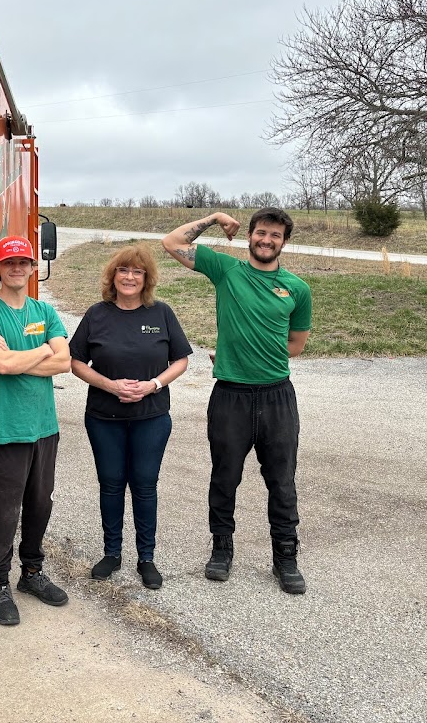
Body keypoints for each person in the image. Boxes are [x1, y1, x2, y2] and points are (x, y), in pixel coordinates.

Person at [162, 208, 312, 594]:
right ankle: (221, 550)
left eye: (275, 236)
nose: (267, 240)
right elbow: (172, 243)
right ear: (249, 235)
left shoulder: (297, 288)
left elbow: (295, 345)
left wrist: (255, 351)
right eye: (261, 233)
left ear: (285, 242)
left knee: (282, 482)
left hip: (277, 396)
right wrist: (213, 218)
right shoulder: (227, 270)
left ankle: (285, 559)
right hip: (230, 395)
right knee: (225, 477)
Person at [69, 244, 191, 590]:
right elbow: (75, 362)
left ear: (146, 278)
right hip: (103, 417)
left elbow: (181, 360)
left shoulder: (161, 314)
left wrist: (153, 385)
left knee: (144, 485)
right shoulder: (97, 315)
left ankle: (146, 557)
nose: (130, 277)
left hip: (151, 416)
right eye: (124, 270)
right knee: (110, 484)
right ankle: (112, 553)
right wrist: (109, 385)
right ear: (113, 276)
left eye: (137, 272)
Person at [0, 235, 71, 626]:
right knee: (3, 513)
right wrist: (42, 350)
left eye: (24, 262)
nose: (17, 268)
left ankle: (31, 573)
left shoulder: (45, 310)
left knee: (40, 505)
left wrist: (22, 356)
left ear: (32, 268)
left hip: (44, 427)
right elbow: (2, 367)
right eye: (9, 262)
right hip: (6, 429)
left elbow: (64, 362)